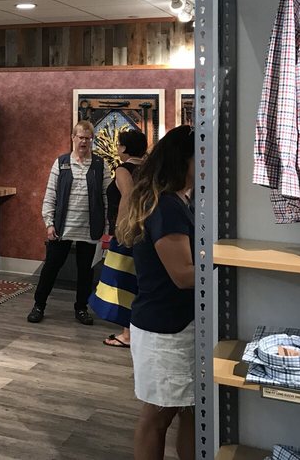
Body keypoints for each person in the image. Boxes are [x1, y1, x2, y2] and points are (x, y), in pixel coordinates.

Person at [117, 125, 195, 460]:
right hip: (166, 329)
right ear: (184, 161)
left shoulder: (175, 201)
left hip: (170, 323)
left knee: (189, 410)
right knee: (158, 416)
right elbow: (183, 275)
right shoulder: (166, 206)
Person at [27, 120, 109, 326]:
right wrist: (49, 223)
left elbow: (106, 197)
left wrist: (106, 227)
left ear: (92, 140)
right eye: (80, 137)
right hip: (62, 228)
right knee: (51, 268)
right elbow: (50, 195)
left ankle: (81, 308)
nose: (84, 142)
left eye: (88, 138)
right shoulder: (61, 162)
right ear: (73, 138)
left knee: (85, 272)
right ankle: (39, 305)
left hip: (90, 229)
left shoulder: (101, 165)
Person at [88, 129, 147, 348]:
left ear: (123, 148)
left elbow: (127, 197)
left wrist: (121, 230)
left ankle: (127, 334)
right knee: (137, 282)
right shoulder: (148, 169)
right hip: (145, 233)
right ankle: (135, 332)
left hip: (127, 235)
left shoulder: (123, 169)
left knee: (122, 282)